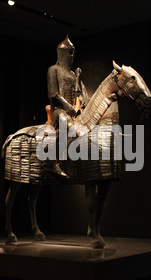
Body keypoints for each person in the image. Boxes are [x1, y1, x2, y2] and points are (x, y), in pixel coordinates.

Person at [46, 35, 87, 178]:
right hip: (59, 110)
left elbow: (80, 94)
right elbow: (54, 94)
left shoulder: (73, 74)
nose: (72, 56)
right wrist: (69, 107)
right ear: (62, 53)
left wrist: (81, 101)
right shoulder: (53, 70)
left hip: (72, 111)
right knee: (67, 123)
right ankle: (55, 163)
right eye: (70, 52)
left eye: (73, 52)